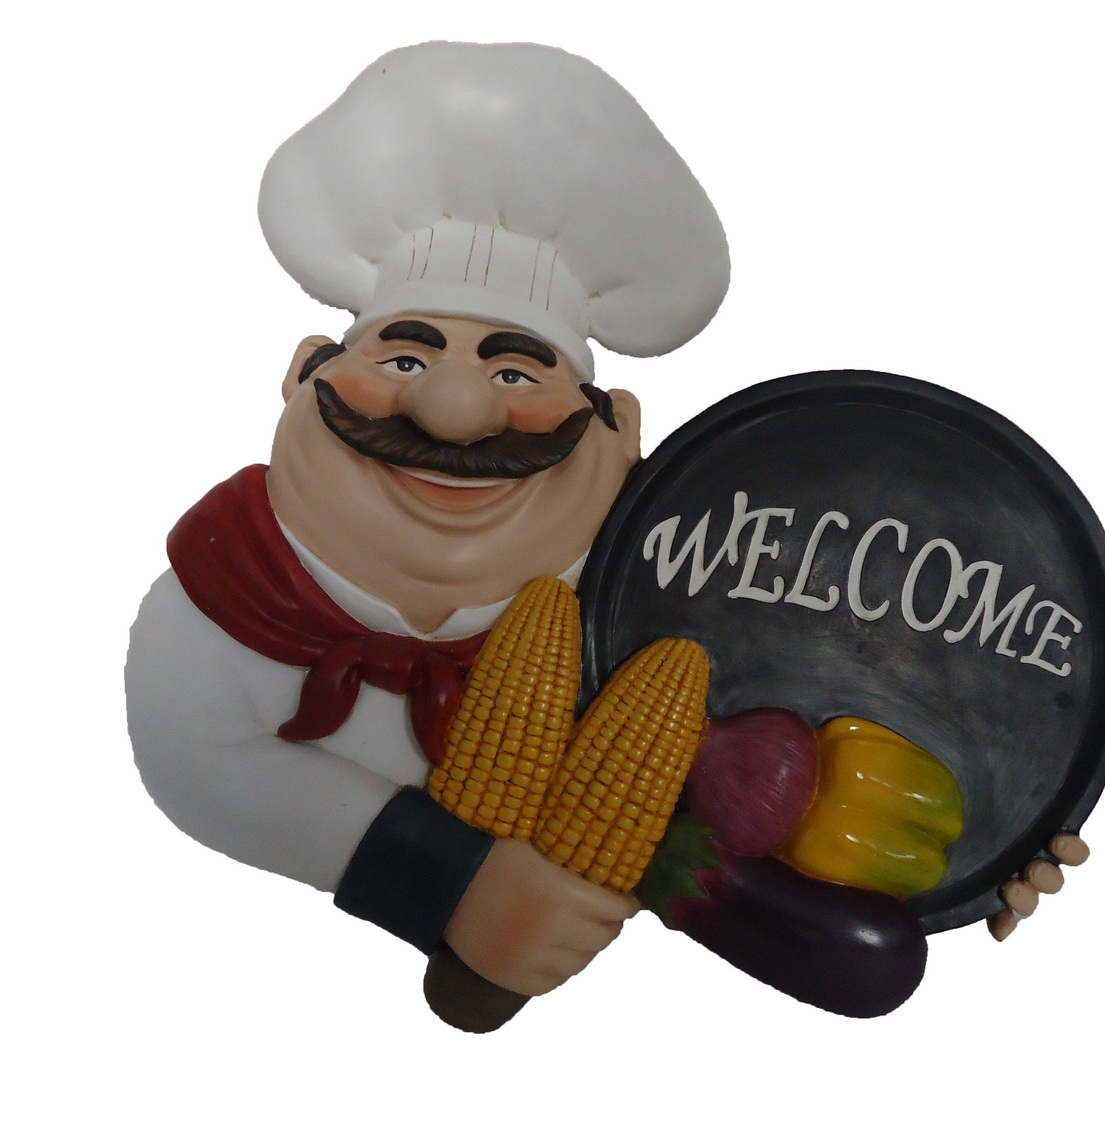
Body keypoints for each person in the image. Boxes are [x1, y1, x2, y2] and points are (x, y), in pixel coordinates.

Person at [127, 42, 729, 999]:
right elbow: (191, 757)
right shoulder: (226, 583)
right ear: (305, 372)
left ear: (619, 431)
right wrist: (441, 879)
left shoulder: (642, 617)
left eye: (515, 372)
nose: (454, 412)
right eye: (405, 360)